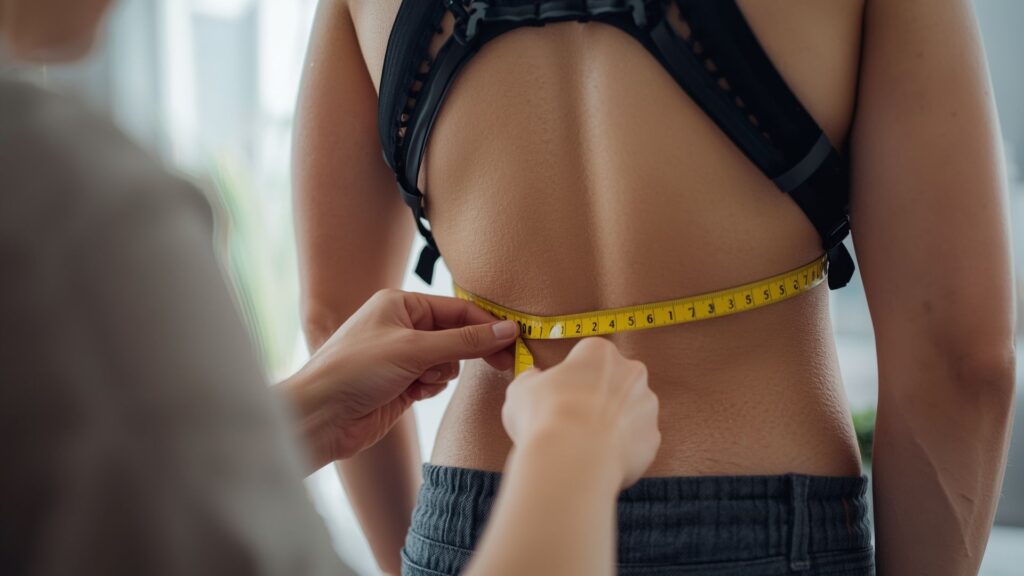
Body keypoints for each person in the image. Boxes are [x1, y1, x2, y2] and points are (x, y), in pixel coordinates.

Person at [294, 0, 1016, 574]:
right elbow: (962, 361)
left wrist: (417, 561)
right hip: (774, 519)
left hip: (480, 520)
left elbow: (338, 321)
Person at [0, 1, 662, 575]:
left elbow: (332, 310)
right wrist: (572, 442)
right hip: (659, 469)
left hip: (476, 508)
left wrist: (393, 545)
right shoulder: (64, 203)